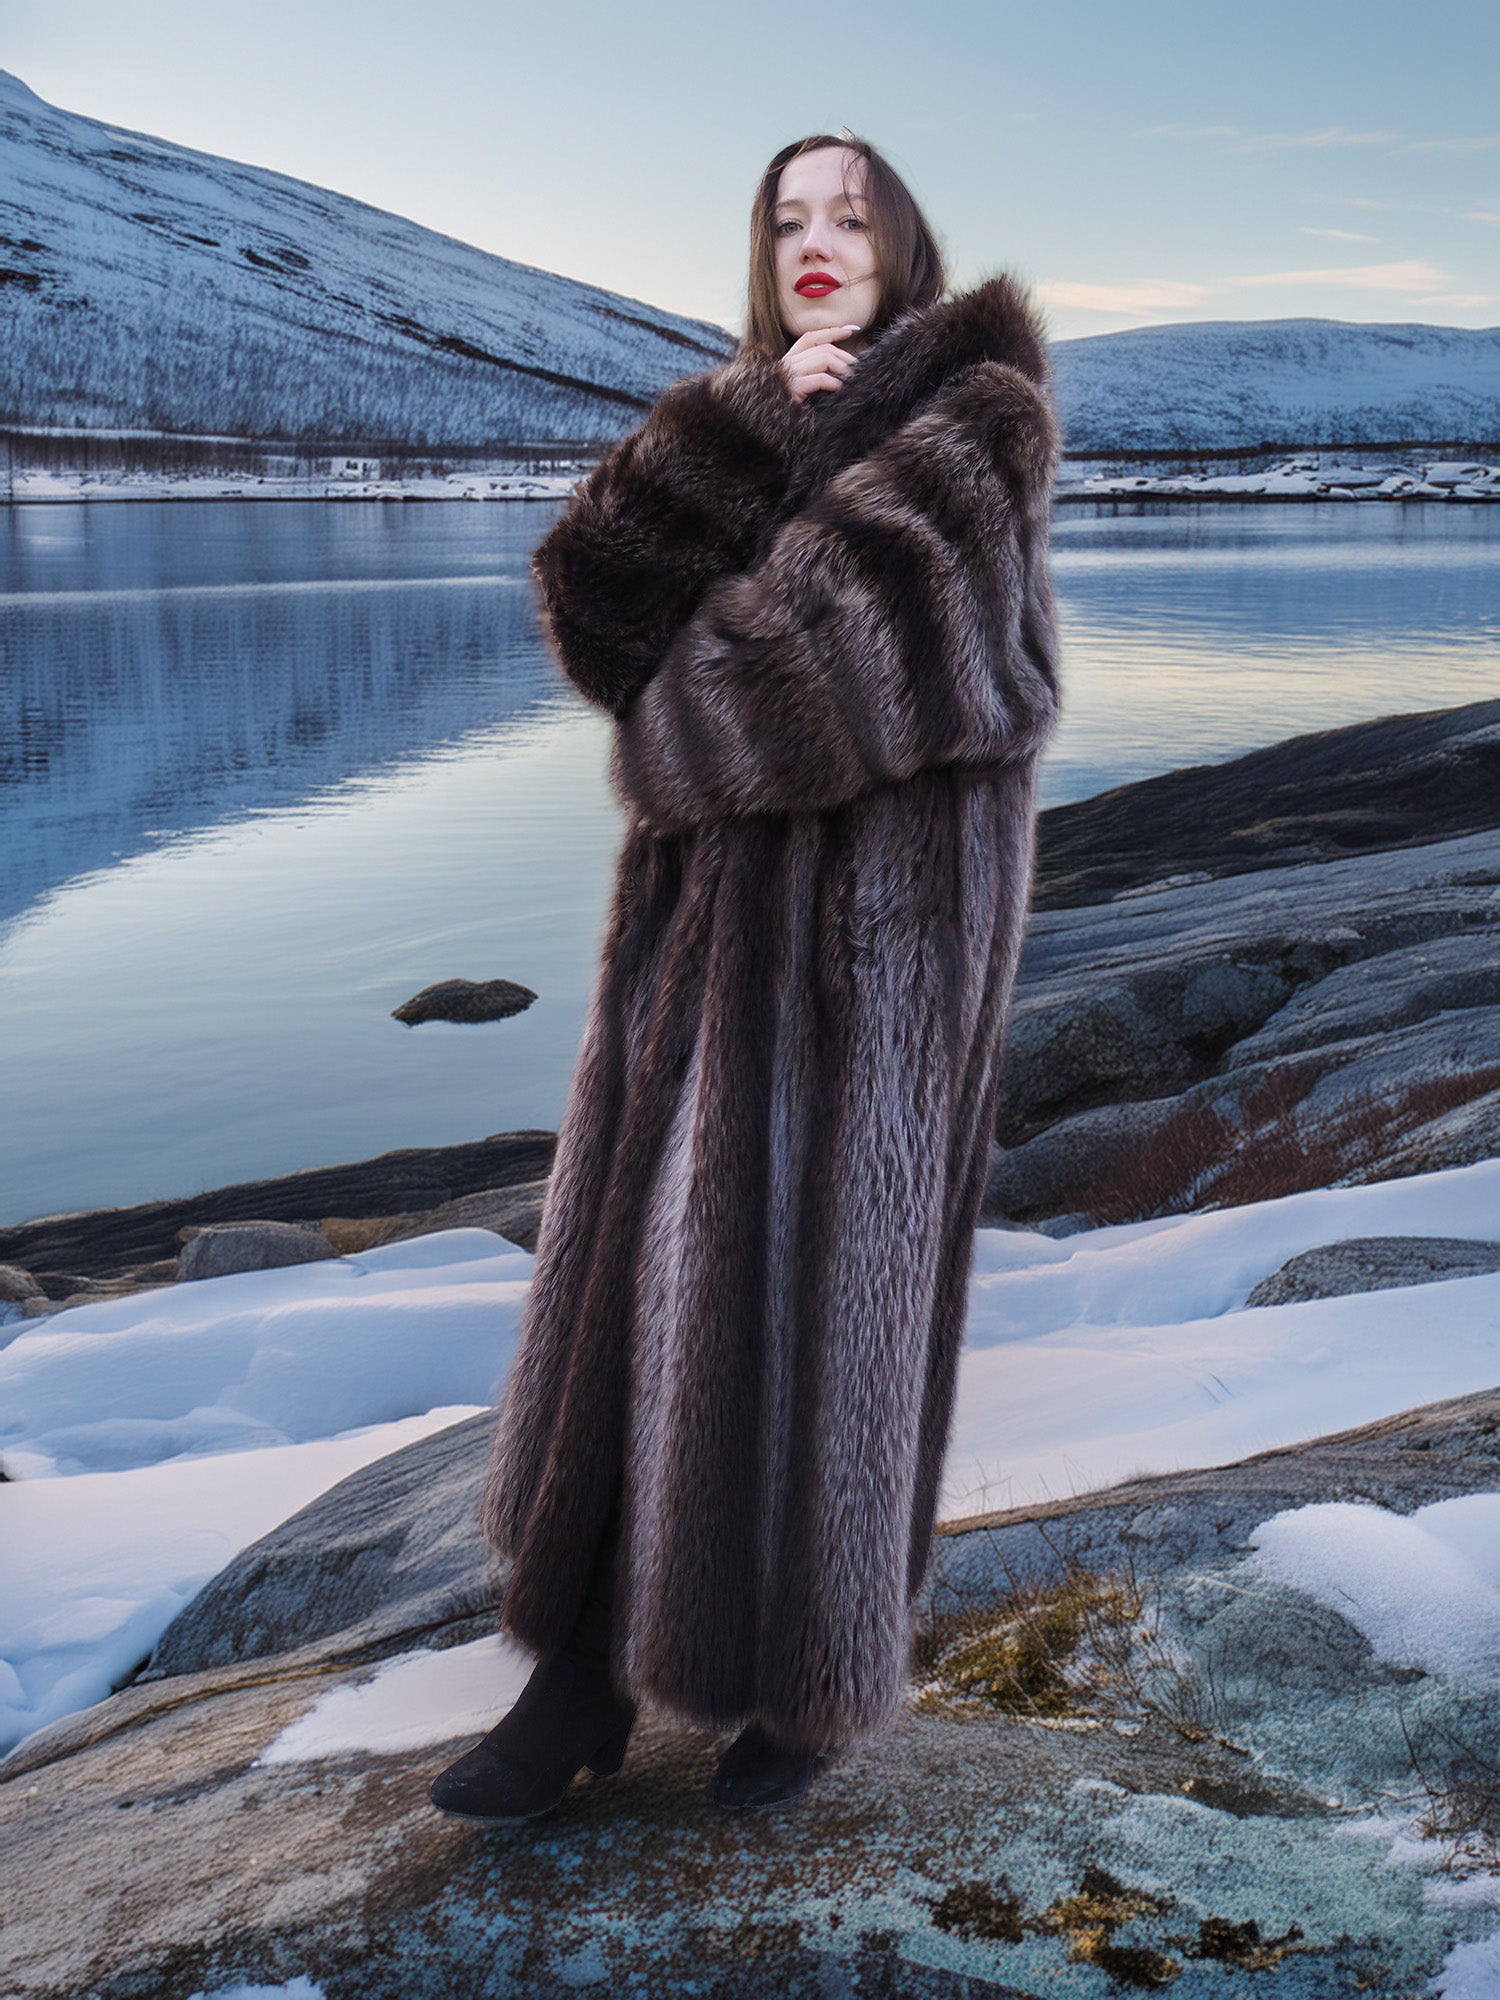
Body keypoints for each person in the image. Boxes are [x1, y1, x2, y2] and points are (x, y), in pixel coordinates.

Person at [430, 129, 1062, 1824]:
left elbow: (786, 687)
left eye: (849, 213)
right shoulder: (754, 413)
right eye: (788, 215)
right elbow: (588, 605)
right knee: (643, 1277)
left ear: (905, 241)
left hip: (876, 961)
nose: (815, 239)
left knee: (824, 1309)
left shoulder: (977, 428)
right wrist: (736, 425)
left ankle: (805, 1690)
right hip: (700, 952)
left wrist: (670, 708)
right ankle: (576, 1679)